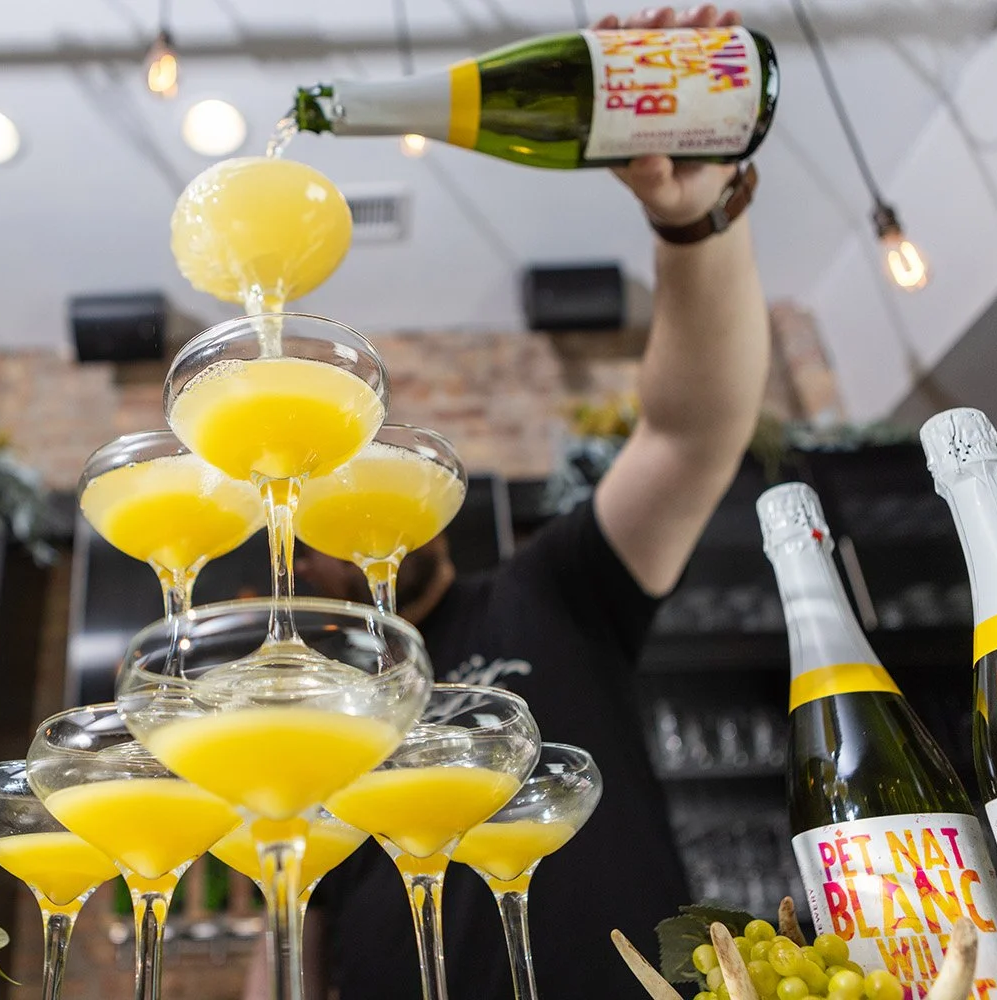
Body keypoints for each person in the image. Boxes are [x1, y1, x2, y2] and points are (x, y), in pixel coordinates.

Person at [244, 5, 772, 997]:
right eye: (310, 498)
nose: (345, 504)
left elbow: (692, 431)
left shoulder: (553, 593)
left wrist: (692, 219)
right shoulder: (305, 716)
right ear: (286, 549)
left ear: (437, 497)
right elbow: (284, 929)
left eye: (368, 461)